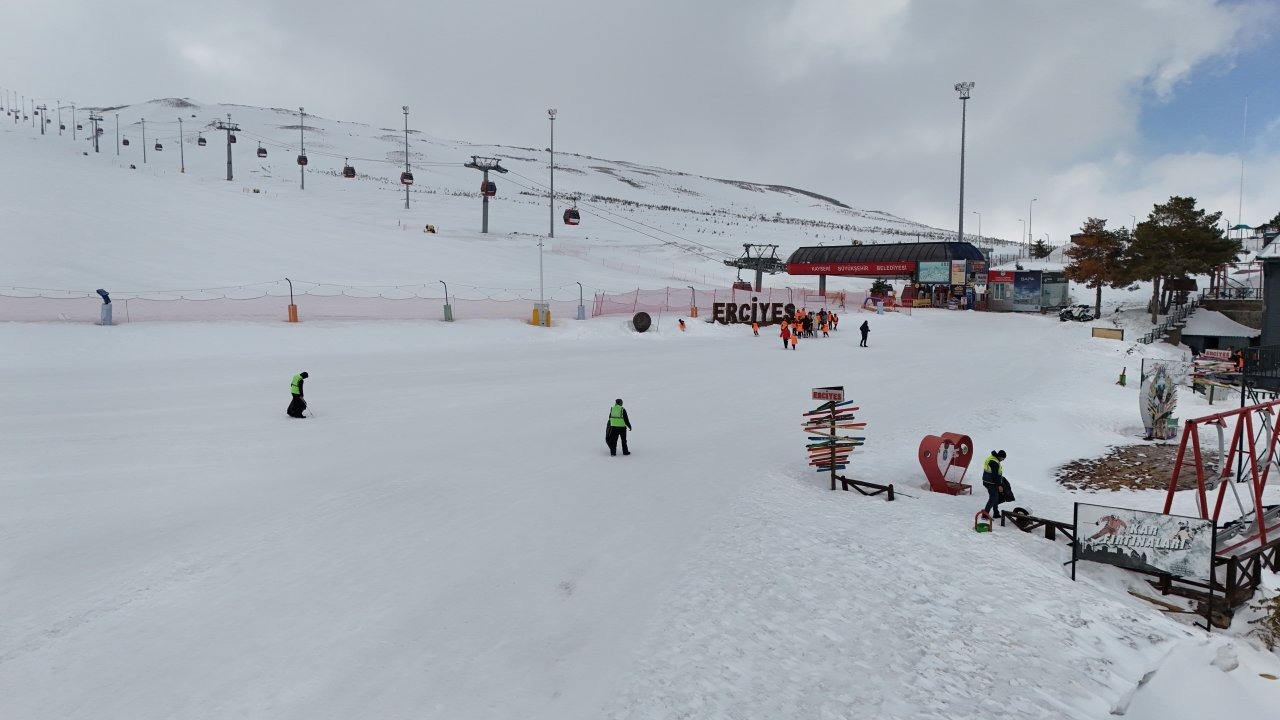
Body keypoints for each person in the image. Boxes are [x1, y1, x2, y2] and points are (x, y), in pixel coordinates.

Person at [982, 450, 1007, 518]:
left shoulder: (993, 459)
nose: (1003, 460)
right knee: (993, 497)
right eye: (1003, 458)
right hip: (990, 482)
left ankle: (996, 513)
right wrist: (999, 485)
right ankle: (985, 514)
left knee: (996, 497)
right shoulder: (994, 462)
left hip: (989, 481)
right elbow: (995, 475)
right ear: (1000, 456)